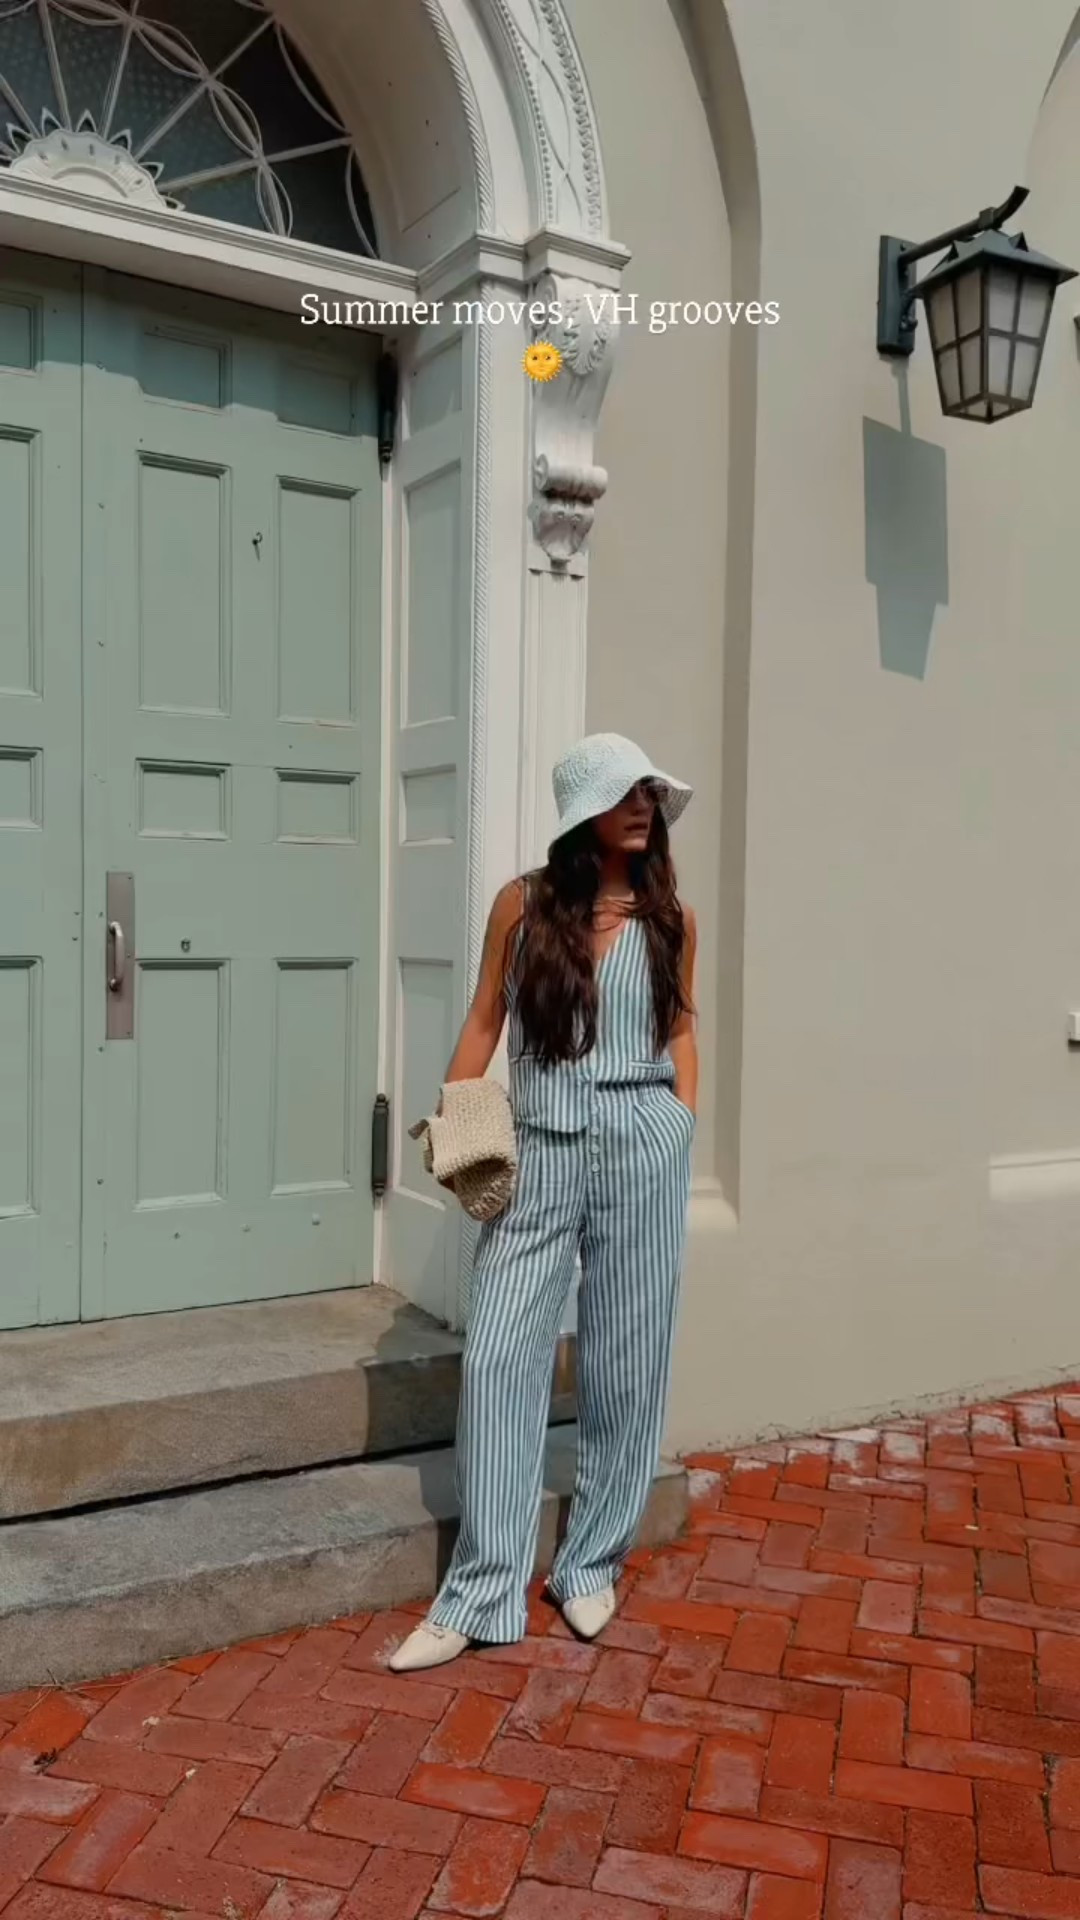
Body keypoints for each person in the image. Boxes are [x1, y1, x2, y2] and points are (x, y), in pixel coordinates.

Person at [390, 733, 697, 1672]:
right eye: (626, 793)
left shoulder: (666, 914)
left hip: (642, 1140)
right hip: (541, 1149)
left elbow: (682, 1024)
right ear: (584, 813)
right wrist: (463, 1124)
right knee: (498, 1355)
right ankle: (482, 1588)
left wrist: (680, 1125)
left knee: (627, 1356)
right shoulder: (522, 908)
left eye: (651, 791)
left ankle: (591, 1562)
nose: (644, 805)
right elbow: (484, 1019)